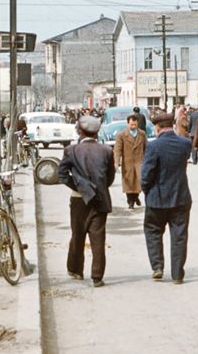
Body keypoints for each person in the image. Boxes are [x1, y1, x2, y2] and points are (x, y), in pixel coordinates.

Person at [57, 116, 116, 287]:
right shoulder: (106, 150)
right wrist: (99, 188)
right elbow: (110, 177)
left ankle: (76, 270)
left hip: (78, 200)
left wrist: (78, 187)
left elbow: (61, 174)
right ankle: (97, 276)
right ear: (97, 133)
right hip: (100, 199)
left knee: (78, 234)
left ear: (80, 132)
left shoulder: (71, 150)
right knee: (98, 238)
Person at [141, 112, 193, 284]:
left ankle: (157, 267)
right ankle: (177, 273)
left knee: (153, 231)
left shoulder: (154, 146)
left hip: (157, 198)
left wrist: (146, 190)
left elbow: (147, 174)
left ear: (157, 128)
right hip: (180, 197)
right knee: (179, 236)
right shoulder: (186, 144)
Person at [114, 114, 148, 209]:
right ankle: (130, 201)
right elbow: (117, 149)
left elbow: (147, 148)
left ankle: (135, 197)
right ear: (128, 124)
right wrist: (116, 162)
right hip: (127, 162)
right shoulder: (121, 135)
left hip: (139, 161)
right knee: (128, 183)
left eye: (135, 124)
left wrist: (148, 160)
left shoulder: (142, 134)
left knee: (138, 181)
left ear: (138, 124)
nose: (133, 126)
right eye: (131, 124)